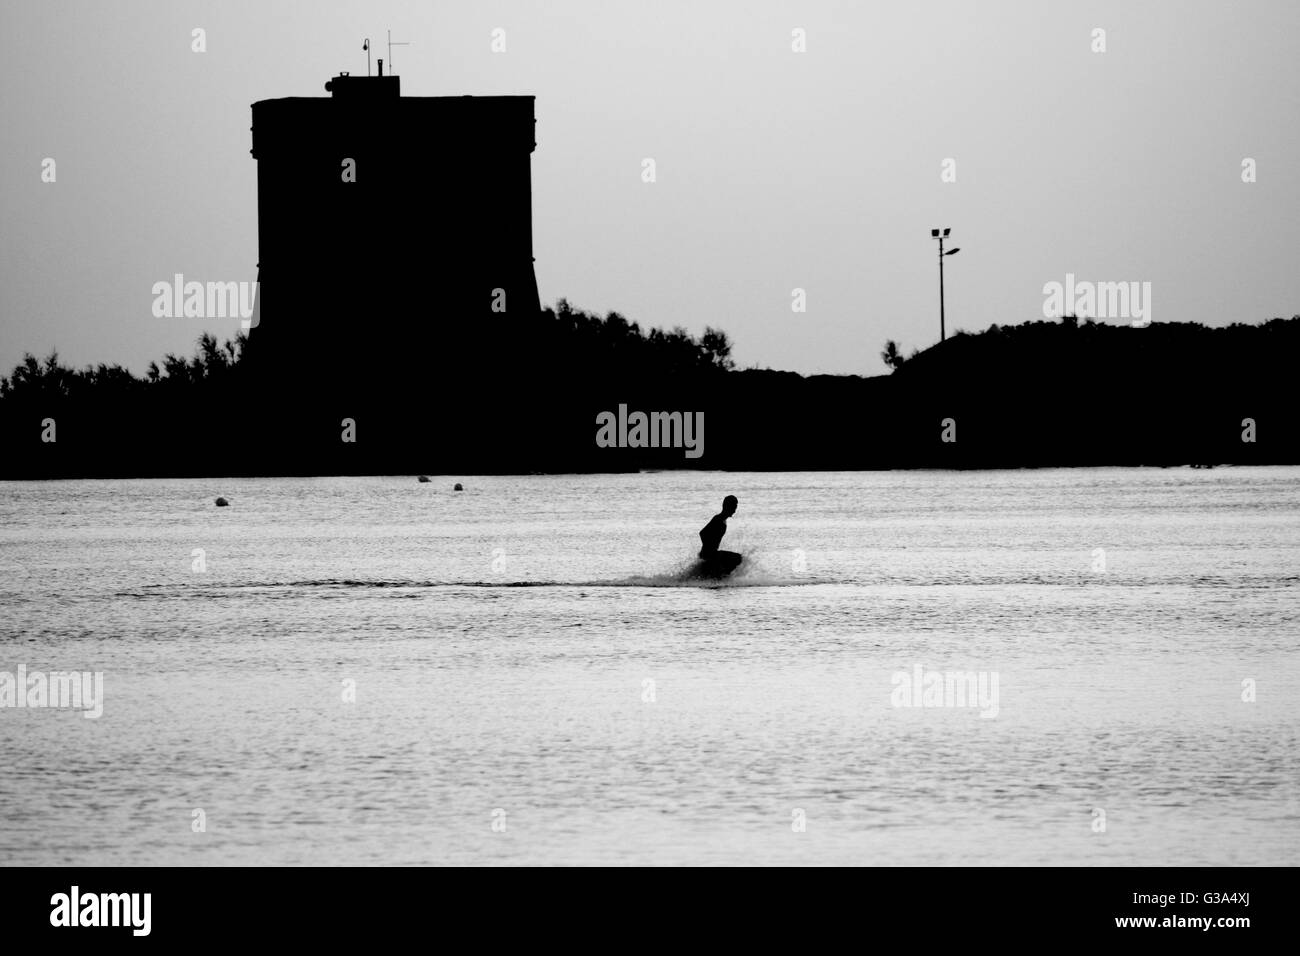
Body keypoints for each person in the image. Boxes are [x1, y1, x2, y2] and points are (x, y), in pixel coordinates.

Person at [697, 495, 742, 576]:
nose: (735, 510)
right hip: (709, 554)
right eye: (733, 506)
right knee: (738, 558)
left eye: (736, 506)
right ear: (727, 506)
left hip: (712, 554)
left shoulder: (723, 520)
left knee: (738, 558)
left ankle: (724, 575)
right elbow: (702, 533)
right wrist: (710, 550)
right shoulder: (718, 519)